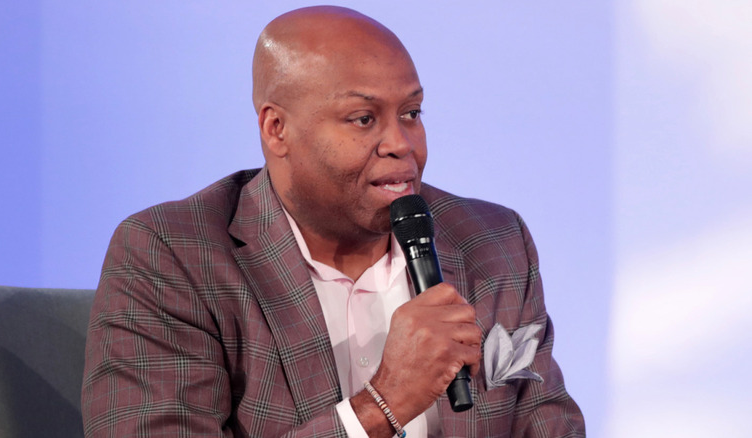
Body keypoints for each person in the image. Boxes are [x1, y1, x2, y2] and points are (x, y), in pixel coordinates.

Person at [81, 6, 584, 437]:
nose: (402, 144)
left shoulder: (492, 242)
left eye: (411, 112)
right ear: (277, 129)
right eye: (364, 119)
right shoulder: (172, 256)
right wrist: (383, 404)